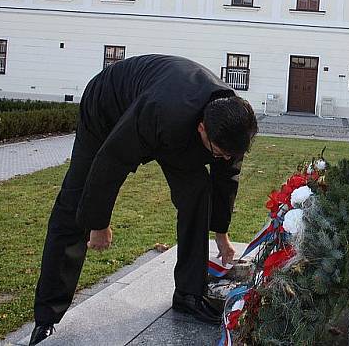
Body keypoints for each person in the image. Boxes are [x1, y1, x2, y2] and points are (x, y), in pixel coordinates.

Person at [28, 54, 258, 345]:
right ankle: (47, 319)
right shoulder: (161, 111)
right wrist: (98, 223)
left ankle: (189, 293)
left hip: (172, 121)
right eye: (218, 153)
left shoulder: (231, 121)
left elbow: (226, 179)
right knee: (74, 204)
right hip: (108, 107)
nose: (224, 159)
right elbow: (111, 160)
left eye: (229, 155)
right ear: (202, 129)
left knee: (197, 191)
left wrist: (221, 233)